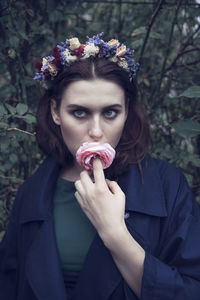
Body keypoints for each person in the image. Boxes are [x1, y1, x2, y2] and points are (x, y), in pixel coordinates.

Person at [0, 33, 200, 300]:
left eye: (110, 113)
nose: (96, 132)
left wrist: (114, 233)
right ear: (56, 112)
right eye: (79, 112)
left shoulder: (168, 187)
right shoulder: (31, 194)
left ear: (126, 111)